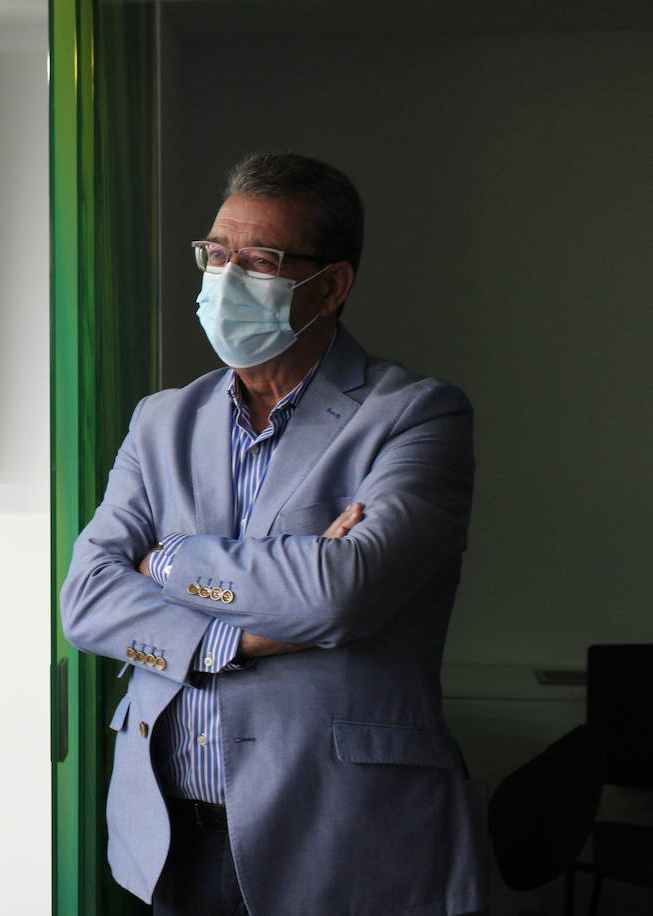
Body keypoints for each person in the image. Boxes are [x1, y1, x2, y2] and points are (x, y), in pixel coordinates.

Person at [60, 152, 485, 915]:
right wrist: (239, 637)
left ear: (331, 287)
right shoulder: (163, 420)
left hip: (341, 837)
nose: (225, 278)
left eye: (259, 261)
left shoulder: (415, 414)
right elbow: (87, 601)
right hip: (170, 836)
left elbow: (338, 594)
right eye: (215, 254)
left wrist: (165, 561)